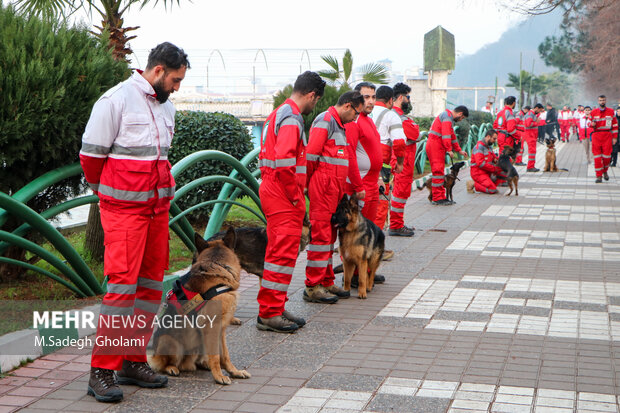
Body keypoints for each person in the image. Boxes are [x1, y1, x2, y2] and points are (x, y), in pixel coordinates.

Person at [80, 42, 189, 403]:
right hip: (124, 213)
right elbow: (91, 158)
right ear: (157, 70)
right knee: (122, 291)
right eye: (174, 80)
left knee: (148, 288)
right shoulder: (114, 101)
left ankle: (131, 359)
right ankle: (101, 371)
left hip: (157, 211)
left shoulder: (166, 107)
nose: (176, 87)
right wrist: (113, 196)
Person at [256, 71, 326, 333]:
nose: (314, 106)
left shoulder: (279, 112)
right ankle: (269, 314)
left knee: (280, 255)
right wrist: (297, 196)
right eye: (315, 101)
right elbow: (286, 162)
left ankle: (275, 307)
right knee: (281, 256)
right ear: (311, 95)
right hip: (283, 193)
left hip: (274, 189)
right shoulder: (292, 118)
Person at [304, 91, 365, 304]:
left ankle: (327, 281)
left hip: (334, 190)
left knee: (329, 238)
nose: (356, 118)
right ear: (348, 106)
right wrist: (306, 184)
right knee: (321, 238)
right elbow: (310, 156)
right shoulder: (325, 120)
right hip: (323, 188)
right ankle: (312, 286)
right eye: (356, 113)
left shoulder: (338, 125)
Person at [345, 82, 389, 281]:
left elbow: (374, 152)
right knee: (359, 234)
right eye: (365, 97)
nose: (370, 101)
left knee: (369, 231)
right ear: (356, 98)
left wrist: (379, 176)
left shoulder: (369, 121)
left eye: (373, 96)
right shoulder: (355, 122)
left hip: (372, 182)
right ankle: (356, 276)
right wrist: (358, 186)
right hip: (361, 185)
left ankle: (366, 272)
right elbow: (350, 155)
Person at [370, 86, 406, 232]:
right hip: (380, 163)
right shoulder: (391, 115)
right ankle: (374, 246)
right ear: (391, 100)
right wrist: (400, 162)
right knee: (380, 204)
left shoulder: (364, 112)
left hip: (360, 162)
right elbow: (399, 142)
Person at [389, 83, 419, 237]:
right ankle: (395, 225)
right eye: (408, 97)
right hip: (402, 160)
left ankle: (397, 223)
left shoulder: (396, 115)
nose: (409, 100)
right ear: (401, 97)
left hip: (403, 159)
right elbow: (414, 133)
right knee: (400, 192)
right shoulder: (398, 117)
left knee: (401, 192)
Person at [426, 106, 469, 205]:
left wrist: (459, 150)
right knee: (437, 172)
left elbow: (452, 136)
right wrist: (449, 149)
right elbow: (446, 135)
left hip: (436, 145)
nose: (461, 120)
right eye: (462, 118)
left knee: (439, 172)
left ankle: (440, 196)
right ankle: (437, 198)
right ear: (460, 114)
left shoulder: (448, 117)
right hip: (435, 145)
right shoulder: (447, 117)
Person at [590, 95, 618, 183]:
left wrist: (615, 137)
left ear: (605, 101)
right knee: (597, 157)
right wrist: (591, 124)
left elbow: (614, 125)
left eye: (603, 100)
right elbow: (588, 123)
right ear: (598, 102)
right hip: (596, 136)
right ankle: (598, 176)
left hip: (607, 136)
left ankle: (605, 171)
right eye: (600, 100)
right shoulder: (593, 112)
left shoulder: (611, 112)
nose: (602, 102)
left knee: (607, 157)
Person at [468, 129, 503, 194]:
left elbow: (494, 158)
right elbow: (480, 163)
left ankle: (488, 184)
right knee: (492, 190)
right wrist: (494, 169)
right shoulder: (479, 147)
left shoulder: (489, 147)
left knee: (503, 177)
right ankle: (473, 184)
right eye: (494, 139)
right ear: (488, 137)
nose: (495, 141)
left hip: (487, 171)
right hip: (478, 173)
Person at [523, 104, 545, 172]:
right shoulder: (530, 114)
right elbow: (528, 124)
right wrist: (536, 122)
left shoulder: (532, 114)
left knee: (532, 151)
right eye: (539, 110)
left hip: (532, 135)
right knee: (532, 151)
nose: (539, 112)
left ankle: (531, 166)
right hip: (530, 135)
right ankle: (530, 167)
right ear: (536, 108)